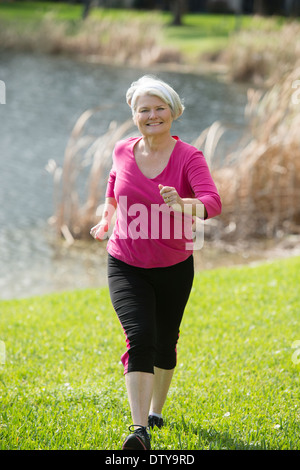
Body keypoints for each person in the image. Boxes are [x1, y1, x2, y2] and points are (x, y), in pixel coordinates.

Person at [90, 75, 222, 450]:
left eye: (159, 108)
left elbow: (212, 202)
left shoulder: (188, 157)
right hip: (125, 262)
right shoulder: (121, 150)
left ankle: (156, 412)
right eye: (143, 110)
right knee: (140, 337)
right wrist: (107, 215)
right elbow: (115, 182)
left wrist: (183, 203)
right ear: (134, 115)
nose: (152, 116)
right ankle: (138, 430)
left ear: (173, 111)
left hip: (174, 266)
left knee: (166, 342)